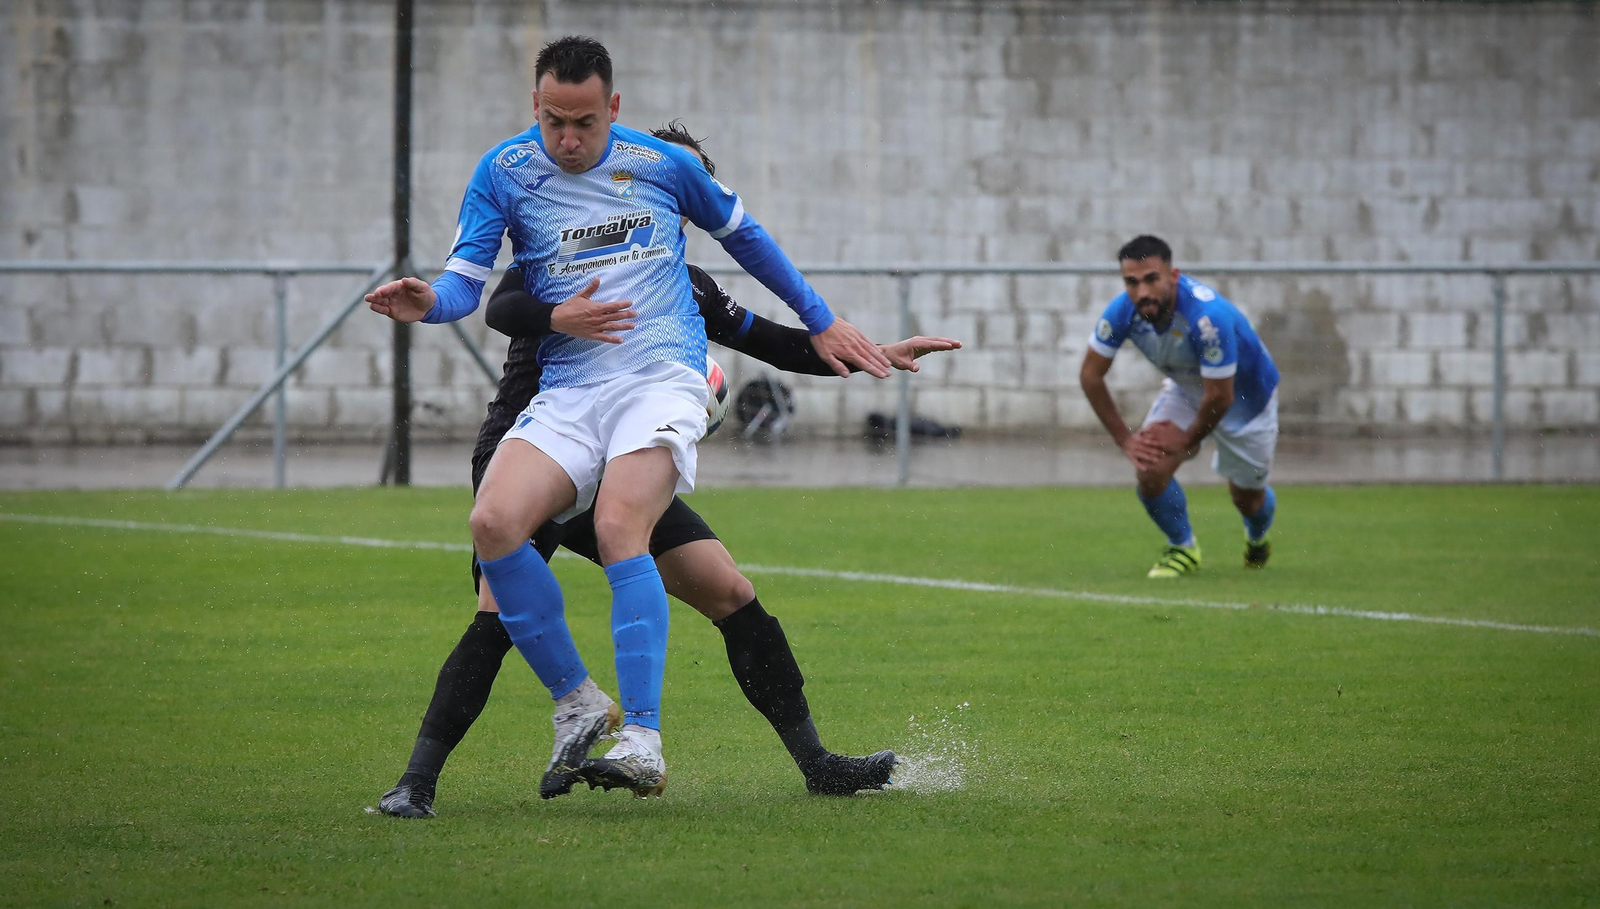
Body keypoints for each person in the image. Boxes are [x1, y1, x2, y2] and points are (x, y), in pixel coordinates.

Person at [376, 122, 958, 817]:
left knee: (730, 591)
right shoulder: (572, 243)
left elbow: (773, 343)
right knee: (497, 616)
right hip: (537, 451)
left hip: (626, 458)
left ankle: (817, 763)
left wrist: (874, 352)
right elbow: (500, 302)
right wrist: (561, 316)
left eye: (695, 189)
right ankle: (417, 781)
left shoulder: (685, 284)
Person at [1078, 234, 1281, 578]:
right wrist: (1126, 440)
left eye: (1151, 279)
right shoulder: (1123, 311)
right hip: (1187, 391)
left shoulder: (1207, 317)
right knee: (1149, 466)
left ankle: (1257, 537)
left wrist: (1187, 442)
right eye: (1131, 282)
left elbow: (1221, 397)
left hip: (1247, 400)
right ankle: (1183, 547)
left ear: (1173, 275)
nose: (1142, 291)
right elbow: (1090, 375)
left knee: (1247, 500)